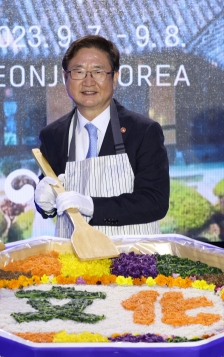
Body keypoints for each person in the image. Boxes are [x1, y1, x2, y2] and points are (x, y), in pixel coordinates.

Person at [34, 35, 169, 237]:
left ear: (114, 77)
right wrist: (43, 204)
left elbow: (154, 202)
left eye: (98, 71)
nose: (88, 81)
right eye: (78, 72)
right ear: (65, 78)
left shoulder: (144, 131)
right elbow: (51, 200)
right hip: (73, 259)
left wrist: (91, 205)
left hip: (131, 258)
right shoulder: (53, 135)